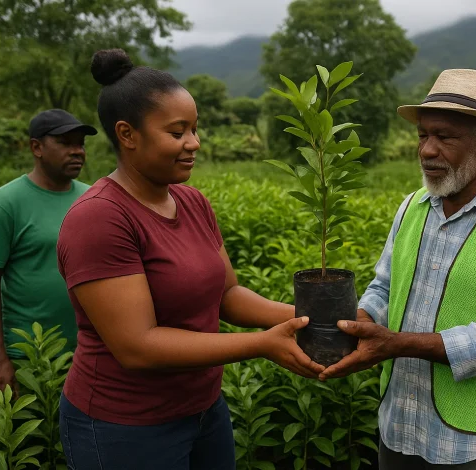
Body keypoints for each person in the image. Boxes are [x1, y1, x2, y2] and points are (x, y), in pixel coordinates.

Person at [55, 48, 323, 469]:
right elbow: (137, 347)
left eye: (195, 130)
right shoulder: (99, 218)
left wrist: (308, 317)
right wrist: (262, 345)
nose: (194, 143)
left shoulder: (191, 200)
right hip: (124, 427)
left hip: (202, 411)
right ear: (127, 134)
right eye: (177, 132)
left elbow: (227, 295)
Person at [318, 69, 476, 469]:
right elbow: (384, 288)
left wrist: (395, 343)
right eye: (423, 135)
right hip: (400, 423)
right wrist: (355, 327)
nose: (427, 150)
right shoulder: (413, 206)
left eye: (444, 136)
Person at [0, 108, 97, 394]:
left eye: (81, 144)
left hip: (91, 354)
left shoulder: (94, 198)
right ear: (36, 147)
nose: (77, 151)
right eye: (65, 143)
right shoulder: (5, 203)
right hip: (31, 358)